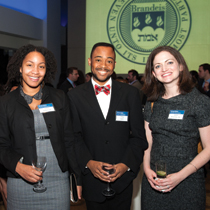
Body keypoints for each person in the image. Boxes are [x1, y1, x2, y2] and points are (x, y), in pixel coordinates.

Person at [0, 44, 81, 210]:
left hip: (57, 179)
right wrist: (18, 166)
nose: (35, 71)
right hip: (21, 179)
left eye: (41, 66)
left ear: (47, 70)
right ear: (20, 68)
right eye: (29, 65)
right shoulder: (5, 103)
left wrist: (77, 178)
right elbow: (1, 145)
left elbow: (69, 140)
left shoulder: (59, 97)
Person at [68, 42, 148, 210]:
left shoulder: (131, 94)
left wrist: (126, 164)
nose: (103, 65)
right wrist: (88, 163)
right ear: (90, 62)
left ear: (115, 64)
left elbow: (139, 138)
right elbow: (74, 137)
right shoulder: (74, 96)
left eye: (109, 61)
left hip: (123, 182)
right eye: (98, 60)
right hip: (92, 181)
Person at [141, 46, 210, 210]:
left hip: (188, 181)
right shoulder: (152, 103)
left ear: (180, 65)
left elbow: (209, 148)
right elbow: (147, 143)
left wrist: (179, 177)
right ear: (153, 73)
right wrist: (146, 169)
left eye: (169, 62)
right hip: (154, 181)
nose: (164, 69)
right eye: (157, 66)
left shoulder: (199, 101)